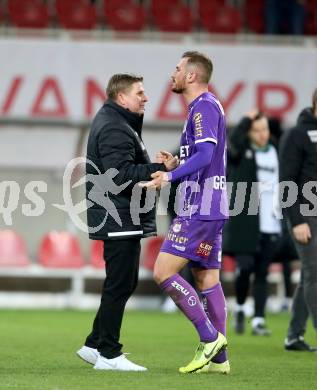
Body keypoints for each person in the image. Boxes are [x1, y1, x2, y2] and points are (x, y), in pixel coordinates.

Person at [76, 73, 178, 371]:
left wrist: (160, 168)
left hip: (121, 214)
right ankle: (109, 354)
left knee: (121, 282)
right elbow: (118, 175)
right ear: (122, 97)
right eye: (140, 92)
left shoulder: (117, 123)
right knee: (120, 283)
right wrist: (159, 169)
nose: (145, 97)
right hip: (119, 215)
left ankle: (94, 344)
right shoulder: (114, 127)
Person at [140, 51, 229, 374]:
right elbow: (206, 156)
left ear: (191, 76)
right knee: (207, 278)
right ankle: (220, 361)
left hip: (200, 206)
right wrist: (178, 163)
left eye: (177, 68)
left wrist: (170, 176)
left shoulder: (203, 106)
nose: (173, 73)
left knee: (163, 272)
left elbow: (206, 154)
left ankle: (209, 339)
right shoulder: (208, 106)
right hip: (212, 203)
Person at [223, 110, 297, 336]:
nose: (262, 134)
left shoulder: (275, 150)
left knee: (263, 273)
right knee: (244, 269)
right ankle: (242, 307)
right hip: (247, 223)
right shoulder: (241, 151)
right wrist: (244, 120)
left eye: (264, 129)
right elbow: (232, 142)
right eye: (256, 130)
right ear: (248, 132)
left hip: (271, 223)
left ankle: (258, 320)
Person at [280, 88, 317, 352]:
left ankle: (294, 335)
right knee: (314, 274)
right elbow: (287, 182)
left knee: (308, 276)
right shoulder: (297, 135)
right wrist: (297, 220)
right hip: (305, 214)